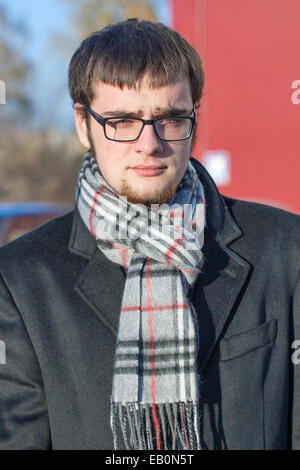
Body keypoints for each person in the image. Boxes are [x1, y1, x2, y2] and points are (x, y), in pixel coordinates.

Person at [0, 18, 299, 451]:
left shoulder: (284, 251)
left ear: (194, 117)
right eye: (122, 121)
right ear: (83, 124)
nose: (149, 143)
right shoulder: (20, 281)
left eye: (170, 118)